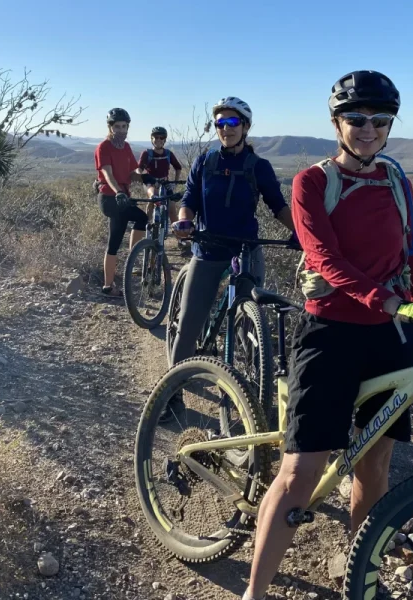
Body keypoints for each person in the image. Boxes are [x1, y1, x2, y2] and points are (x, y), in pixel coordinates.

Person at [241, 71, 413, 600]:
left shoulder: (395, 180)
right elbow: (323, 259)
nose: (368, 129)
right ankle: (253, 593)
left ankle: (358, 572)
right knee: (300, 474)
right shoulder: (312, 182)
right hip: (331, 333)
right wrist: (387, 301)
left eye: (379, 121)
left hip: (390, 334)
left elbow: (411, 255)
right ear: (337, 122)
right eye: (356, 119)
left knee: (375, 465)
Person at [167, 96, 295, 421]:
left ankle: (254, 394)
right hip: (208, 248)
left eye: (233, 123)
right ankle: (170, 397)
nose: (226, 128)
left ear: (245, 127)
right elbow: (189, 199)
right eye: (220, 123)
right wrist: (184, 220)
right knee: (188, 325)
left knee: (253, 327)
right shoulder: (204, 162)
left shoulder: (258, 167)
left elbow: (278, 205)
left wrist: (302, 232)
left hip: (245, 249)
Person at [94, 108, 156, 296]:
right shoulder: (104, 147)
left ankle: (108, 286)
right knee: (141, 217)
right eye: (117, 126)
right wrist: (119, 192)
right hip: (110, 198)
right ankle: (133, 255)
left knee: (114, 242)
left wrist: (146, 178)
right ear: (110, 127)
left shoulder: (126, 147)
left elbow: (132, 173)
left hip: (122, 198)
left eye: (124, 126)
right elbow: (107, 174)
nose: (121, 130)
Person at [138, 126, 184, 224]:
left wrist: (175, 183)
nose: (158, 139)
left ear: (164, 140)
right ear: (152, 138)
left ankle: (179, 236)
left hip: (165, 182)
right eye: (156, 137)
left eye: (161, 137)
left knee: (172, 210)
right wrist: (141, 175)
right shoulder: (147, 153)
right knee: (153, 198)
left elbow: (178, 168)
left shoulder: (168, 153)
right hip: (151, 182)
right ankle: (147, 225)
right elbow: (139, 168)